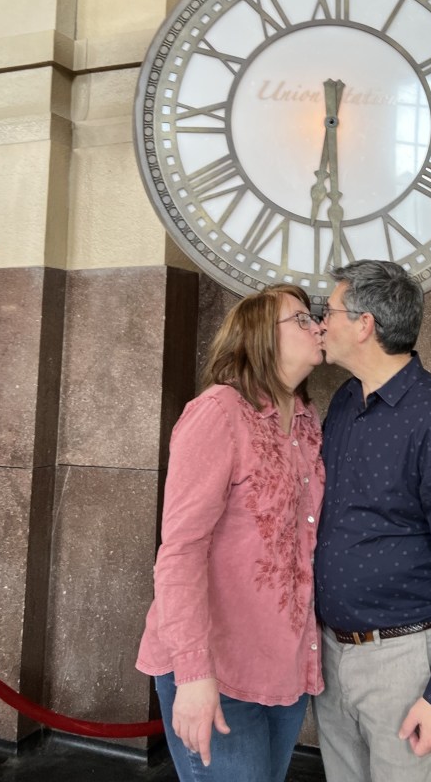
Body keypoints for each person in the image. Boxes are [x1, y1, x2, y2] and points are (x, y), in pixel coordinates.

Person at [313, 260, 431, 782]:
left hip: (405, 664)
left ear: (364, 324)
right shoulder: (345, 401)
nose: (321, 323)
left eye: (330, 311)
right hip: (332, 655)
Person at [136, 284, 325, 782]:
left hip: (283, 666)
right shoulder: (219, 412)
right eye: (301, 319)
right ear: (260, 336)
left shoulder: (308, 422)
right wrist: (194, 673)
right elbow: (181, 550)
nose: (317, 326)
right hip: (215, 668)